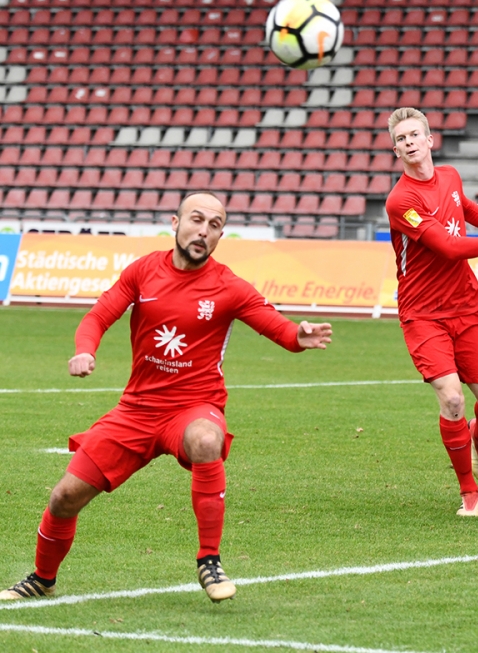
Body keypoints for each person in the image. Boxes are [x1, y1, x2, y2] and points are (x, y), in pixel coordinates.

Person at [0, 192, 333, 603]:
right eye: (197, 220)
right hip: (136, 410)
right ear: (174, 222)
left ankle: (209, 561)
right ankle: (42, 578)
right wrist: (86, 348)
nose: (204, 231)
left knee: (206, 441)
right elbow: (99, 315)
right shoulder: (142, 272)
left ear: (220, 236)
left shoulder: (229, 285)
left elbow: (278, 328)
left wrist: (299, 336)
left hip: (194, 407)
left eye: (214, 225)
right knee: (64, 497)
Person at [384, 107, 478, 517]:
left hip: (465, 308)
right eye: (401, 138)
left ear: (430, 140)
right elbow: (448, 247)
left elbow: (464, 206)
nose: (409, 142)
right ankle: (469, 492)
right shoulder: (401, 200)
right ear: (396, 150)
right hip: (423, 314)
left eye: (415, 134)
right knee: (451, 399)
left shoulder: (448, 176)